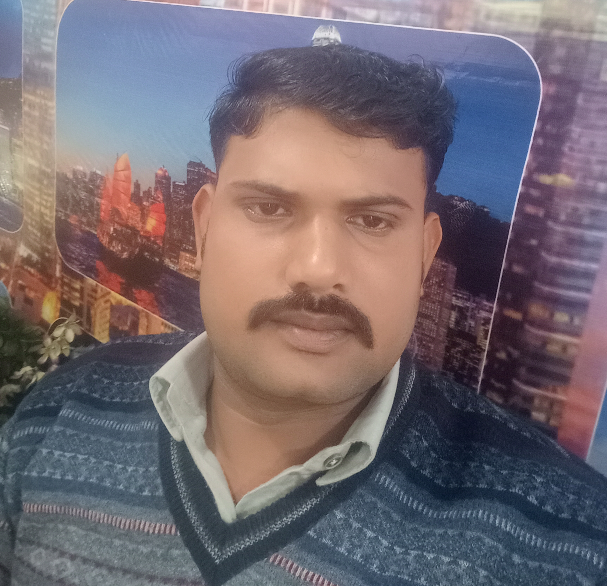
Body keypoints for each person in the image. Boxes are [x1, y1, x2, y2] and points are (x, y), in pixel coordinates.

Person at [1, 43, 607, 586]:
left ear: (425, 256)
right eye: (269, 208)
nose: (318, 268)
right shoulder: (61, 411)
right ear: (203, 228)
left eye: (373, 220)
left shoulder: (565, 546)